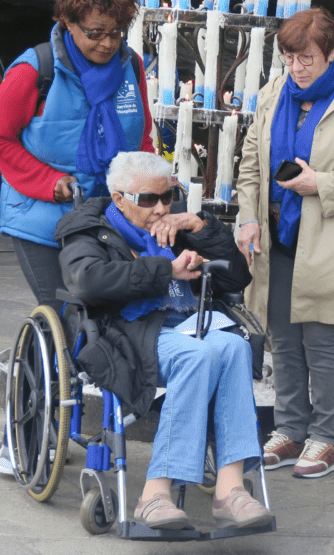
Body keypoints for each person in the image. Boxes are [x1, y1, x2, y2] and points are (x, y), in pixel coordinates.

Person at [54, 152, 270, 530]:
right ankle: (154, 495)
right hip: (128, 331)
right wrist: (165, 270)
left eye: (167, 197)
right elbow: (86, 281)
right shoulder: (90, 228)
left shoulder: (179, 224)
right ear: (119, 198)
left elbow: (237, 280)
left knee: (234, 346)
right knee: (196, 356)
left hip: (190, 321)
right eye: (147, 199)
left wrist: (200, 225)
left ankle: (230, 488)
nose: (160, 208)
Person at [235, 8, 334, 479]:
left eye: (306, 58)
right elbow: (249, 163)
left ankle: (326, 439)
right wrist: (247, 218)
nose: (296, 68)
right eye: (289, 57)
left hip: (328, 236)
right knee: (281, 341)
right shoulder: (273, 93)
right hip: (275, 237)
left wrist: (320, 183)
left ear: (331, 53)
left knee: (323, 341)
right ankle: (288, 431)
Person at [0, 0, 153, 316]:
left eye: (117, 33)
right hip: (41, 218)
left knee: (107, 320)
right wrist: (49, 182)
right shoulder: (35, 70)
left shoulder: (132, 68)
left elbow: (141, 138)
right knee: (64, 316)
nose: (108, 43)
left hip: (107, 217)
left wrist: (151, 189)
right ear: (68, 22)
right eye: (96, 33)